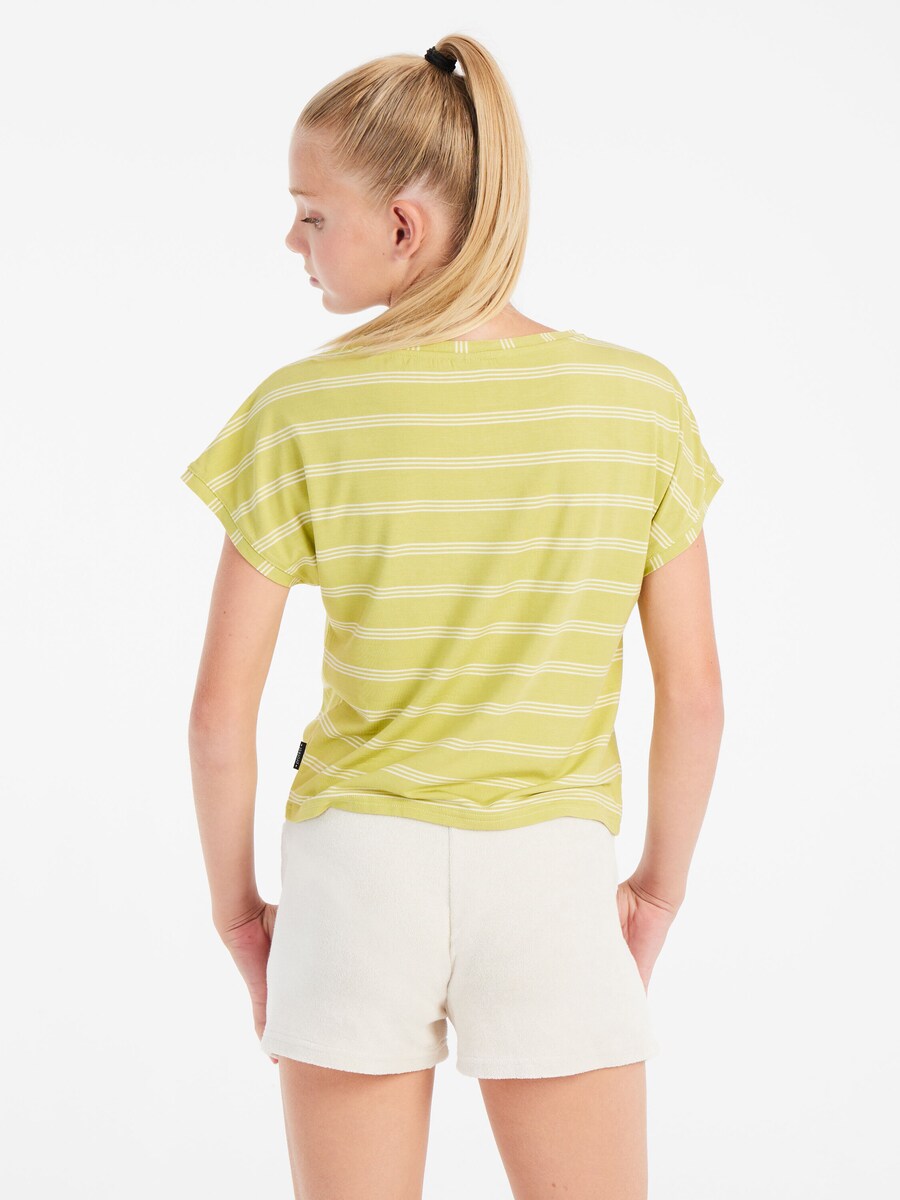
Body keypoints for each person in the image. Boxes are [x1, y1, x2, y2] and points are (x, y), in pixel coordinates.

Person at [181, 33, 725, 1200]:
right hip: (551, 867)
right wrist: (656, 894)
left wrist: (240, 923)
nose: (292, 241)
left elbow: (219, 716)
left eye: (311, 216)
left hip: (354, 874)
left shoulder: (300, 409)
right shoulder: (638, 403)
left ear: (403, 225)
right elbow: (697, 697)